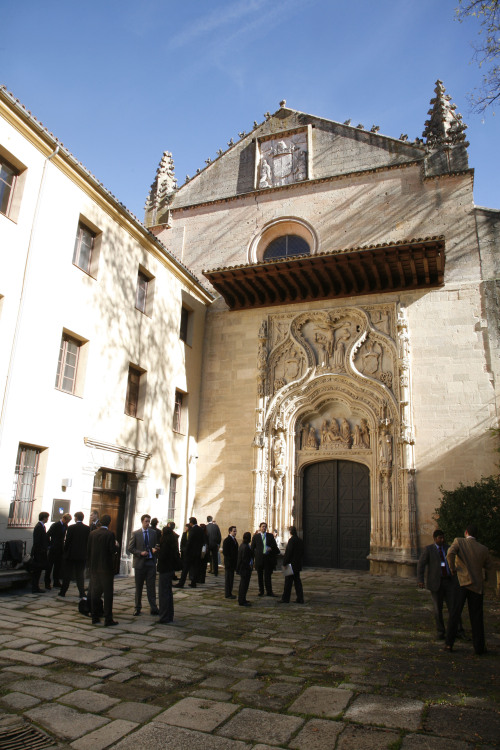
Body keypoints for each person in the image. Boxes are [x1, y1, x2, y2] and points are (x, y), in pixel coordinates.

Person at [445, 524, 494, 655]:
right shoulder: (483, 549)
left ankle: (449, 644)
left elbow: (450, 553)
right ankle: (479, 647)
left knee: (455, 613)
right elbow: (490, 565)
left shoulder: (459, 541)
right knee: (477, 617)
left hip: (462, 582)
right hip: (477, 585)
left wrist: (452, 568)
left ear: (466, 532)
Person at [417, 529, 465, 640]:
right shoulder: (429, 550)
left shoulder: (449, 548)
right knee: (437, 609)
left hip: (449, 582)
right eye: (440, 538)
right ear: (435, 539)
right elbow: (421, 564)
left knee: (454, 607)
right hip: (436, 583)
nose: (442, 540)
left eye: (443, 538)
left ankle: (458, 630)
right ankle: (440, 631)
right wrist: (420, 579)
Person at [87, 513, 118, 626]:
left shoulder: (92, 533)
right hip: (106, 569)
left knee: (95, 593)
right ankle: (108, 618)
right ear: (109, 523)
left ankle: (94, 617)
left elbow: (88, 550)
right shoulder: (110, 534)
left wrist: (89, 566)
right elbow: (112, 550)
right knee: (108, 594)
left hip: (95, 568)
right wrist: (116, 546)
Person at [127, 514, 159, 616]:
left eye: (149, 521)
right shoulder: (136, 533)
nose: (148, 523)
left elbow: (157, 545)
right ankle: (137, 607)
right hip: (140, 563)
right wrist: (140, 553)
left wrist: (155, 549)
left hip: (150, 562)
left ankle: (153, 607)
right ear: (142, 522)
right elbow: (130, 548)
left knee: (151, 586)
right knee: (139, 587)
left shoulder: (153, 533)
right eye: (146, 521)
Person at [59, 511, 90, 598]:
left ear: (76, 518)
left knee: (67, 574)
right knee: (80, 575)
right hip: (82, 555)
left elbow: (67, 541)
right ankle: (82, 593)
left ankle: (63, 592)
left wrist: (65, 551)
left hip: (71, 554)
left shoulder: (71, 528)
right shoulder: (87, 528)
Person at [157, 525, 182, 624]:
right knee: (168, 593)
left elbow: (162, 557)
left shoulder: (165, 544)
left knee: (163, 594)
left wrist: (156, 552)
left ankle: (164, 617)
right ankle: (169, 615)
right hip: (170, 569)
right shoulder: (172, 543)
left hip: (165, 570)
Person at [174, 517, 204, 588]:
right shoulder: (200, 529)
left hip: (190, 553)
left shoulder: (192, 530)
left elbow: (189, 541)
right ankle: (194, 583)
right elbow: (202, 540)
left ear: (191, 523)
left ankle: (181, 583)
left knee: (185, 569)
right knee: (196, 568)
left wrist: (186, 551)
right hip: (197, 552)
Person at [251, 521, 279, 597]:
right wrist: (252, 559)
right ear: (260, 528)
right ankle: (261, 591)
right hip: (259, 559)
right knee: (260, 576)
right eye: (263, 526)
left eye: (265, 527)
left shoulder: (270, 536)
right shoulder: (256, 537)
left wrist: (271, 548)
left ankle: (269, 591)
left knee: (267, 576)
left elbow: (275, 547)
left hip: (267, 559)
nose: (264, 528)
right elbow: (252, 548)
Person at [278, 526, 304, 604]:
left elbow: (288, 553)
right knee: (297, 582)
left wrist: (285, 563)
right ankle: (300, 598)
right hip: (297, 564)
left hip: (290, 565)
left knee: (288, 582)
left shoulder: (291, 540)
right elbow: (302, 552)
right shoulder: (300, 540)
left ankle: (285, 599)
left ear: (290, 532)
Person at [45, 513, 72, 589]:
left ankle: (56, 581)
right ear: (64, 518)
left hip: (60, 549)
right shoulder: (55, 525)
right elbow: (48, 534)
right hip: (53, 548)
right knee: (50, 566)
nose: (68, 523)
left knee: (58, 566)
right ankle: (47, 582)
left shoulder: (65, 526)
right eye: (67, 521)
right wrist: (50, 545)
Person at [31, 511, 49, 593]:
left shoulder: (42, 526)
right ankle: (35, 587)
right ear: (44, 518)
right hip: (39, 553)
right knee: (37, 570)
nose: (47, 519)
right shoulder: (39, 527)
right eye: (47, 517)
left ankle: (36, 586)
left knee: (39, 570)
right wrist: (41, 550)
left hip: (40, 552)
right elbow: (37, 541)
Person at [237, 532, 253, 606]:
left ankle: (243, 599)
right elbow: (244, 558)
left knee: (244, 584)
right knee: (244, 585)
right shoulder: (245, 547)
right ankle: (242, 600)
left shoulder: (243, 545)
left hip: (244, 568)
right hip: (245, 568)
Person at [222, 526, 238, 599]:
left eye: (235, 531)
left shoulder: (234, 540)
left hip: (233, 563)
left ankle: (230, 592)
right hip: (229, 563)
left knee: (231, 578)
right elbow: (225, 552)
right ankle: (228, 594)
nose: (235, 532)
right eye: (234, 531)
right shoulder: (227, 540)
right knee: (228, 578)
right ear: (230, 531)